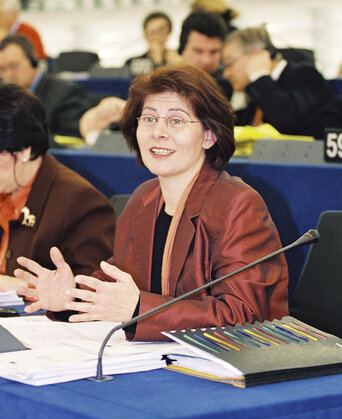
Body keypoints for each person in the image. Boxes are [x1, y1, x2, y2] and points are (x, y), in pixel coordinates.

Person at [15, 66, 288, 341]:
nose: (158, 132)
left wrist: (138, 309)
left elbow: (245, 316)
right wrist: (70, 296)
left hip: (234, 367)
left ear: (209, 135)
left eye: (176, 121)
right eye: (148, 119)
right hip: (162, 358)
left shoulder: (238, 205)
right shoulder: (143, 200)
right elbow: (118, 283)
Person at [0, 82, 115, 292]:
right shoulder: (7, 184)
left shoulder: (82, 204)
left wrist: (21, 286)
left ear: (24, 151)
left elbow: (94, 291)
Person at [79, 11, 232, 143]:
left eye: (214, 52)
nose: (206, 60)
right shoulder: (141, 66)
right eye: (198, 51)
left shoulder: (228, 83)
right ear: (182, 50)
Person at [222, 26, 342, 139]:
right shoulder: (254, 89)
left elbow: (286, 121)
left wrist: (259, 77)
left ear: (257, 56)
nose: (226, 73)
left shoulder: (306, 75)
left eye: (229, 63)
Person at [0, 35, 90, 138]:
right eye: (2, 69)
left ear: (33, 61)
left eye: (14, 66)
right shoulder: (4, 96)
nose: (8, 75)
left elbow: (72, 141)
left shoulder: (65, 92)